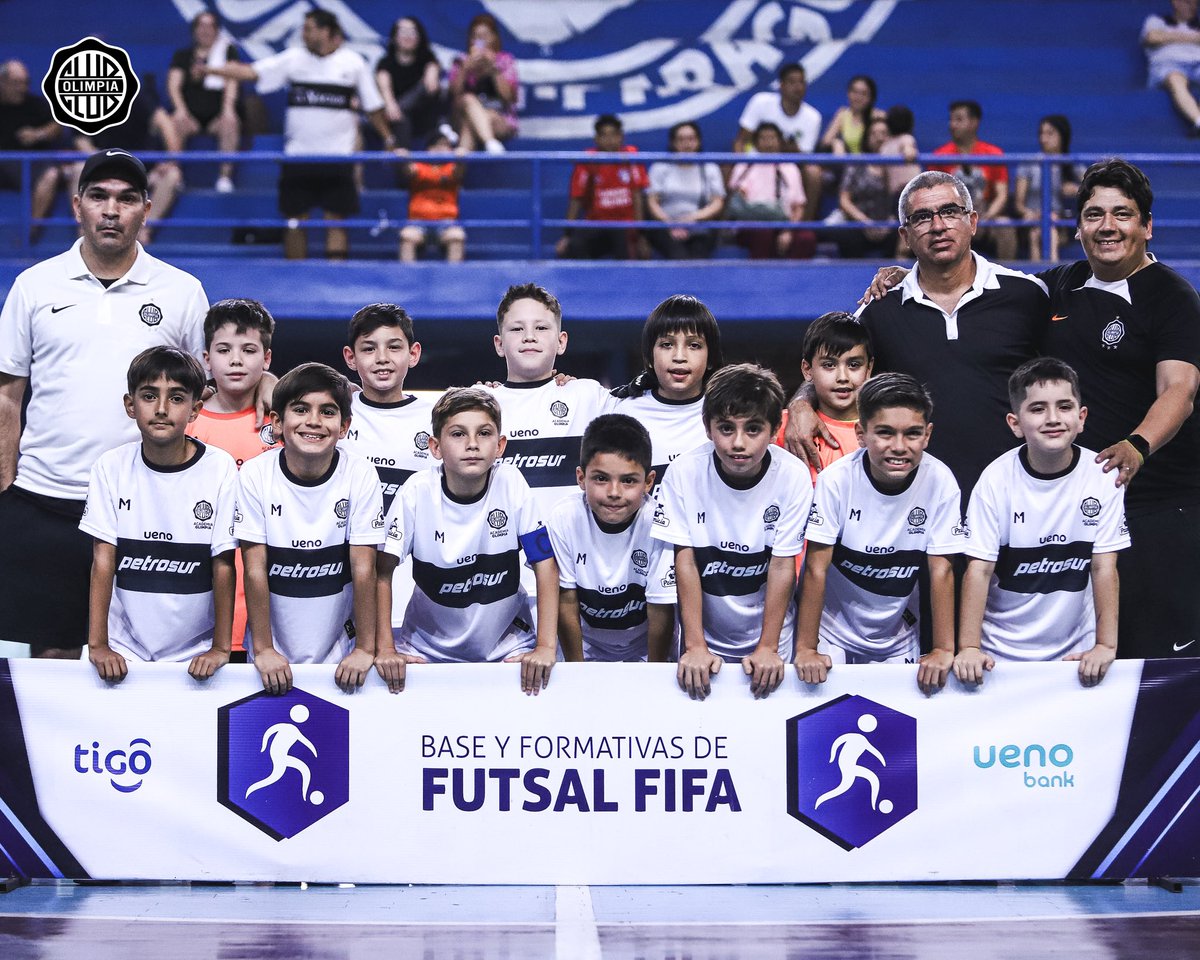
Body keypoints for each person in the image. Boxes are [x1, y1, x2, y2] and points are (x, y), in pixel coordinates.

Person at [0, 148, 208, 660]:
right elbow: (7, 396)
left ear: (146, 209)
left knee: (155, 655)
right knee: (53, 656)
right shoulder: (33, 286)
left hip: (149, 501)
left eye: (126, 198)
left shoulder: (182, 292)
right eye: (98, 196)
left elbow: (211, 389)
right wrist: (5, 489)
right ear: (77, 206)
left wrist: (268, 381)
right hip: (47, 500)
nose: (111, 210)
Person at [787, 171, 1049, 501]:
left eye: (950, 212)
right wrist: (800, 404)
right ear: (905, 235)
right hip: (913, 507)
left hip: (1014, 499)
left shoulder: (1027, 294)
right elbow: (832, 367)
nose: (938, 226)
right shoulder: (879, 310)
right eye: (922, 217)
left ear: (972, 221)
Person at [1039, 159, 1200, 659]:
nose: (1107, 226)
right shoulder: (1058, 285)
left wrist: (1137, 445)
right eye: (1094, 215)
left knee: (1163, 664)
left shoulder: (1172, 297)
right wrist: (904, 273)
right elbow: (981, 285)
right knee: (1086, 661)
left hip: (1159, 509)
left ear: (1147, 226)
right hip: (1076, 514)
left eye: (1122, 214)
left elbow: (1179, 389)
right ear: (1078, 228)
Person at [955, 358, 1128, 689]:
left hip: (1076, 656)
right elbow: (979, 570)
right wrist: (969, 648)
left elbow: (1104, 567)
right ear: (1015, 423)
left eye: (1064, 407)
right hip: (999, 655)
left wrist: (1106, 646)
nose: (1053, 418)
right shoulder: (995, 480)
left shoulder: (1103, 476)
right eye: (1037, 409)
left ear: (1081, 417)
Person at [375, 387, 560, 695]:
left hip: (508, 647)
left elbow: (545, 564)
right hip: (425, 650)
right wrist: (384, 648)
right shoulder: (416, 492)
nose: (472, 444)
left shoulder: (511, 482)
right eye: (458, 434)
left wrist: (545, 646)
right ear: (435, 447)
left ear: (500, 445)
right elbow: (381, 572)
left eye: (484, 433)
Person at [793, 374, 962, 696]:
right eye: (885, 433)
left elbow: (942, 570)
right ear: (861, 434)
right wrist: (806, 647)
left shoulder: (940, 481)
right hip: (832, 632)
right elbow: (815, 568)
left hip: (898, 635)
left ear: (927, 435)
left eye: (912, 434)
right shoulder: (836, 480)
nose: (899, 446)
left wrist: (942, 648)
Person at [651, 364, 813, 700]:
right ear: (707, 427)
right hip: (703, 642)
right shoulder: (683, 472)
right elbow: (686, 562)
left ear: (775, 429)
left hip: (773, 640)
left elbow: (782, 565)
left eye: (753, 429)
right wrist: (695, 645)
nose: (738, 443)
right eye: (726, 428)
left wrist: (768, 647)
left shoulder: (793, 475)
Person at [82, 347, 238, 681]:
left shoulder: (220, 468)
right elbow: (103, 561)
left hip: (196, 652)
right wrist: (99, 645)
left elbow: (223, 564)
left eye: (177, 398)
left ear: (195, 410)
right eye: (149, 396)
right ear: (130, 405)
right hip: (124, 649)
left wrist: (220, 648)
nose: (162, 409)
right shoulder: (110, 467)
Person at [200, 8, 397, 260]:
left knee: (336, 221)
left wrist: (388, 138)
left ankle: (335, 277)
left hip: (338, 159)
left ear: (326, 31)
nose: (303, 34)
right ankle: (295, 274)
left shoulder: (353, 63)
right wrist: (211, 70)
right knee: (294, 222)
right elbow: (252, 72)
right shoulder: (293, 58)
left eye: (309, 29)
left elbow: (373, 107)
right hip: (298, 158)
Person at [235, 363, 384, 695]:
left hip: (343, 652)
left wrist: (365, 648)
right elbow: (255, 569)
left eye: (327, 412)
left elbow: (364, 569)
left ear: (344, 426)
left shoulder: (360, 474)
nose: (314, 421)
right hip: (269, 652)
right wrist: (264, 649)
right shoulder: (255, 475)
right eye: (301, 410)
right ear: (277, 422)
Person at [187, 298, 281, 660]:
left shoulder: (287, 420)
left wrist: (277, 385)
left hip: (271, 605)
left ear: (267, 358)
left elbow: (348, 395)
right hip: (200, 603)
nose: (236, 360)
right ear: (206, 359)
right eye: (224, 350)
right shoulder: (186, 423)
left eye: (249, 350)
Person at [547, 414, 675, 662]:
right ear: (581, 478)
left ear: (648, 482)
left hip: (645, 649)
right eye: (601, 478)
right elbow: (567, 600)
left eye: (628, 481)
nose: (614, 492)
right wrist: (576, 670)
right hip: (586, 646)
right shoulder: (564, 517)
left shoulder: (660, 522)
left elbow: (660, 607)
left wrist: (655, 672)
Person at [338, 302, 434, 628]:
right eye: (369, 349)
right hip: (344, 581)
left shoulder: (438, 417)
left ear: (413, 353)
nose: (382, 358)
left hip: (412, 581)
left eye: (394, 347)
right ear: (350, 357)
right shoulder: (331, 413)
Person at [489, 283, 615, 526]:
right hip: (500, 545)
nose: (529, 336)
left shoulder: (587, 396)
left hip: (573, 546)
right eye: (516, 328)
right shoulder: (479, 402)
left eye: (541, 327)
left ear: (561, 341)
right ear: (499, 344)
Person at [612, 294, 725, 497]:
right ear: (649, 356)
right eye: (667, 344)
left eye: (694, 345)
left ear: (710, 358)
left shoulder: (728, 415)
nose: (679, 357)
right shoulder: (621, 412)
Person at [75, 75, 185, 246]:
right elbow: (80, 139)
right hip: (104, 173)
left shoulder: (135, 98)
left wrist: (171, 160)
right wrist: (101, 161)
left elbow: (165, 123)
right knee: (78, 169)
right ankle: (85, 229)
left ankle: (143, 229)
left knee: (172, 175)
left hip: (142, 173)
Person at [776, 311, 874, 482]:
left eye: (854, 365)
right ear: (807, 370)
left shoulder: (882, 431)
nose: (842, 377)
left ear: (869, 368)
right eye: (829, 365)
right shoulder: (781, 427)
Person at [733, 62, 822, 219]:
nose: (798, 87)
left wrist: (790, 150)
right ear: (781, 85)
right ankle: (728, 223)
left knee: (813, 172)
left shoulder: (813, 117)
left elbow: (805, 158)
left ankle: (803, 225)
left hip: (788, 167)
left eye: (801, 82)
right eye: (792, 82)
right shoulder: (760, 101)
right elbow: (740, 141)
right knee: (728, 165)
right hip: (755, 162)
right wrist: (742, 166)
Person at [930, 100, 1016, 260]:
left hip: (984, 214)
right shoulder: (940, 156)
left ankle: (1006, 273)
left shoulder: (993, 154)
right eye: (951, 119)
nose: (952, 125)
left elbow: (1001, 195)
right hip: (950, 216)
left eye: (958, 119)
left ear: (974, 123)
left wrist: (985, 217)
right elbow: (932, 197)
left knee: (1005, 226)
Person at [168, 9, 242, 192]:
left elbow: (232, 81)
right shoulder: (182, 55)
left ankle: (224, 178)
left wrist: (228, 109)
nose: (205, 30)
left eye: (210, 26)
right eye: (201, 26)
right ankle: (174, 176)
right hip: (190, 116)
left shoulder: (227, 52)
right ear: (194, 30)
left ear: (217, 30)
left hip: (217, 116)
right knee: (176, 121)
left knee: (231, 122)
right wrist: (181, 110)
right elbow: (173, 85)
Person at [557, 114, 649, 260]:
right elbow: (576, 198)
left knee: (625, 247)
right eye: (604, 135)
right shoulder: (587, 159)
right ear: (596, 139)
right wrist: (567, 235)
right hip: (596, 224)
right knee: (573, 247)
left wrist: (641, 235)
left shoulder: (631, 157)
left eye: (614, 135)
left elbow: (637, 196)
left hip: (625, 225)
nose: (610, 140)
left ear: (621, 137)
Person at [0, 59, 69, 241]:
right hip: (3, 163)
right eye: (16, 83)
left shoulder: (35, 104)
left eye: (25, 83)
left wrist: (39, 134)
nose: (21, 88)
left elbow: (57, 126)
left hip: (31, 164)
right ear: (2, 82)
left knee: (51, 174)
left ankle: (30, 233)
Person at [728, 122, 813, 260]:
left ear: (780, 141)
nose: (768, 143)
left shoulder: (790, 168)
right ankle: (760, 273)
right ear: (756, 142)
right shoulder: (744, 166)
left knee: (806, 238)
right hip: (751, 224)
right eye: (763, 138)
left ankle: (791, 273)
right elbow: (737, 200)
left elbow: (799, 206)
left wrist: (788, 231)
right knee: (763, 233)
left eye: (772, 138)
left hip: (783, 223)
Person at [645, 121, 726, 259]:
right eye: (681, 140)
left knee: (698, 257)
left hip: (700, 224)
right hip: (665, 225)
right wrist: (671, 223)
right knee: (678, 255)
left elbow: (717, 203)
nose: (687, 144)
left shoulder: (710, 168)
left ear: (699, 142)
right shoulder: (660, 168)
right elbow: (652, 202)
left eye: (691, 139)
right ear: (673, 143)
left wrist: (692, 218)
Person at [1012, 114, 1082, 260]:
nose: (1043, 139)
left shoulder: (1072, 165)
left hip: (1059, 222)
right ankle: (1043, 270)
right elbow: (1018, 204)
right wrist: (1032, 213)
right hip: (1031, 220)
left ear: (1062, 136)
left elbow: (1093, 191)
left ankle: (1047, 270)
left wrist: (1077, 190)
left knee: (1047, 229)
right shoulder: (1029, 164)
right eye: (1041, 133)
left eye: (1050, 133)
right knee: (1037, 232)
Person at [448, 12, 518, 154]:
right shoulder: (461, 61)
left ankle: (458, 167)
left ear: (494, 37)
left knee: (472, 123)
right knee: (468, 100)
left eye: (485, 35)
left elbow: (509, 98)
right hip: (462, 115)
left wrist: (493, 69)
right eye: (476, 36)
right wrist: (465, 70)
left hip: (498, 118)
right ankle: (490, 143)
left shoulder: (505, 61)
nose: (480, 40)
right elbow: (453, 95)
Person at [375, 15, 445, 150]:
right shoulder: (385, 64)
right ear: (394, 37)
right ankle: (403, 157)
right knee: (400, 115)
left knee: (424, 90)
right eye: (403, 32)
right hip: (396, 117)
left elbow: (431, 87)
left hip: (423, 115)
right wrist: (390, 104)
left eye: (412, 32)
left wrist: (432, 76)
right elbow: (385, 89)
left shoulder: (429, 60)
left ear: (419, 37)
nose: (407, 36)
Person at [398, 128, 465, 262]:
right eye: (437, 145)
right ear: (428, 149)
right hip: (418, 222)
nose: (441, 149)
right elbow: (408, 170)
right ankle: (406, 275)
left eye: (445, 145)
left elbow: (459, 170)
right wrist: (404, 159)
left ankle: (454, 275)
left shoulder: (451, 168)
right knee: (407, 236)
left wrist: (461, 158)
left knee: (457, 236)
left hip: (447, 222)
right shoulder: (419, 167)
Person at [836, 117, 896, 259]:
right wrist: (865, 222)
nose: (879, 138)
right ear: (867, 138)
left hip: (889, 225)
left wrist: (890, 223)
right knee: (847, 237)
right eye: (874, 134)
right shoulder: (856, 164)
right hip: (859, 225)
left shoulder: (897, 166)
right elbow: (844, 201)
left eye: (884, 133)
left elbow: (902, 198)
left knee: (904, 235)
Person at [1141, 0, 1200, 136]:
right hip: (1169, 65)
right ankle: (1198, 121)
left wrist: (1170, 37)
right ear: (1176, 3)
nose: (1193, 7)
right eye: (1189, 3)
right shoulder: (1157, 21)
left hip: (1197, 64)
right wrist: (1194, 38)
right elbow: (1153, 37)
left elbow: (1162, 37)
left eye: (1196, 4)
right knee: (1175, 79)